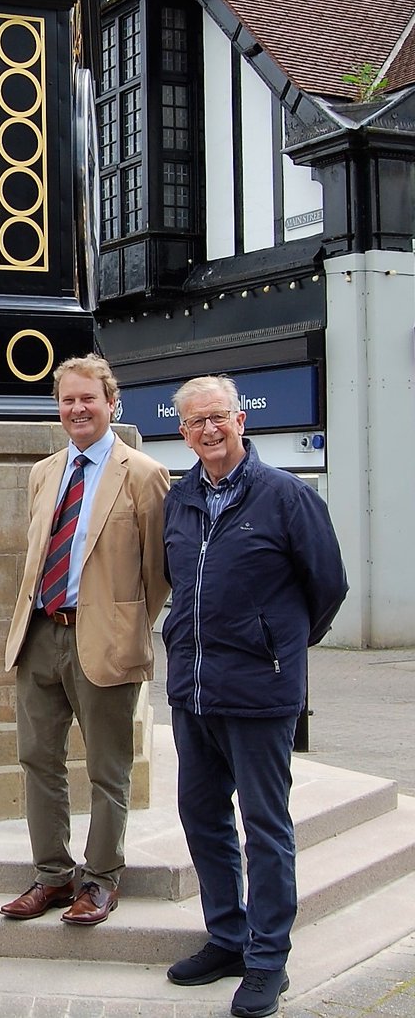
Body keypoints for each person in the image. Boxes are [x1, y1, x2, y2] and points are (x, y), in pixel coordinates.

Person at [162, 375, 347, 1018]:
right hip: (193, 692)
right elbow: (177, 581)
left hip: (260, 693)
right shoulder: (179, 499)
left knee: (265, 829)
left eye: (217, 417)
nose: (208, 430)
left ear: (241, 419)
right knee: (202, 816)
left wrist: (280, 645)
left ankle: (268, 960)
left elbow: (327, 585)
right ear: (182, 431)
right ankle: (228, 936)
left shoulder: (287, 497)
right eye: (194, 422)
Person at [1, 354, 170, 926]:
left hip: (103, 641)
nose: (77, 409)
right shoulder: (43, 472)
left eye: (88, 400)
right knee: (38, 761)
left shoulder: (143, 474)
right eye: (68, 400)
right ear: (58, 407)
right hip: (40, 635)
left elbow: (159, 571)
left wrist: (125, 624)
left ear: (110, 404)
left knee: (107, 767)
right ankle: (51, 876)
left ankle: (99, 880)